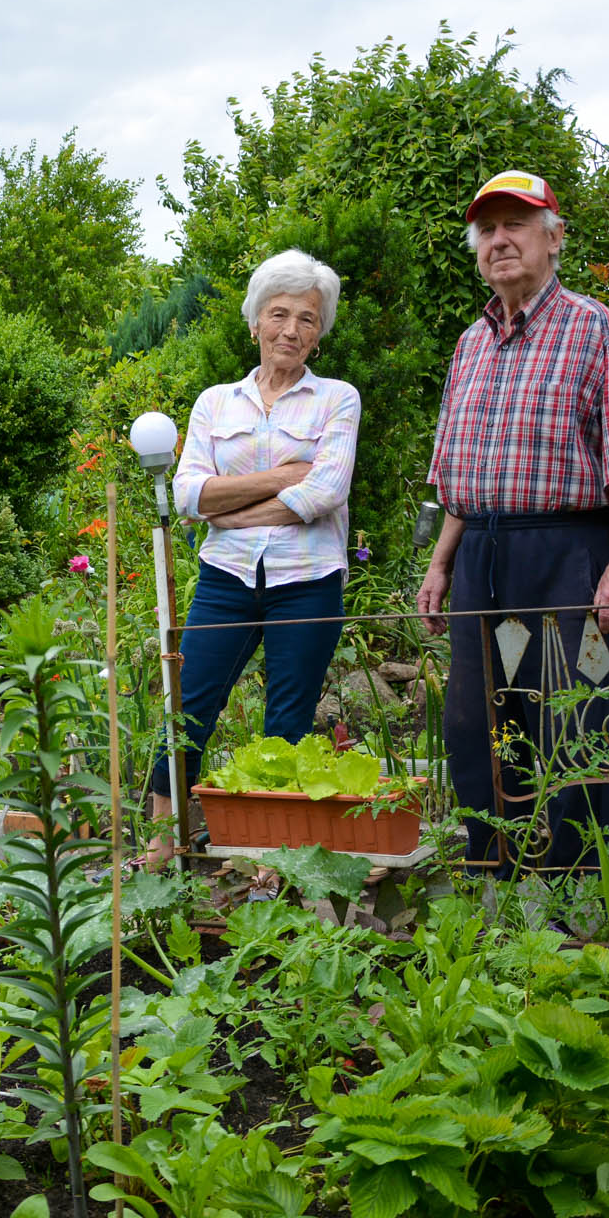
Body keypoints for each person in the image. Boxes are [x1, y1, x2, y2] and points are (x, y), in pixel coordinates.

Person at [416, 171, 609, 875]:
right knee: (477, 725)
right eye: (488, 230)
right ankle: (497, 878)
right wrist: (440, 563)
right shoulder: (470, 344)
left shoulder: (595, 329)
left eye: (516, 225)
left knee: (578, 718)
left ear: (553, 238)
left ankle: (579, 892)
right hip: (480, 552)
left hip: (567, 549)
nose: (500, 241)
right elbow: (458, 477)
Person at [145, 249, 361, 866]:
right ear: (254, 322)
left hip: (308, 581)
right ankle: (163, 849)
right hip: (227, 578)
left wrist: (229, 508)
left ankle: (270, 861)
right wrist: (281, 477)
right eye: (279, 315)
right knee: (187, 705)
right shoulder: (216, 403)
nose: (291, 330)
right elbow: (188, 495)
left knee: (288, 718)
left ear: (319, 334)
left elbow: (326, 492)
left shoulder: (337, 400)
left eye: (307, 320)